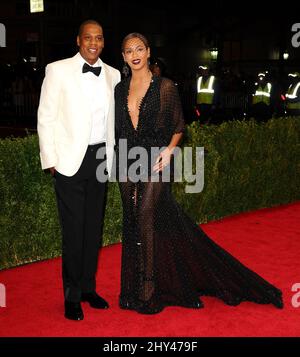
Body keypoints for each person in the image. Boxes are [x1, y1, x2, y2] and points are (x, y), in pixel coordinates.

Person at [114, 32, 283, 314]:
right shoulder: (120, 89)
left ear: (147, 53)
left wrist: (169, 152)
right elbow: (120, 128)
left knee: (146, 218)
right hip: (128, 159)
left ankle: (148, 283)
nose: (135, 54)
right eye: (129, 50)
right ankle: (133, 283)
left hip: (156, 159)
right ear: (123, 57)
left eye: (139, 48)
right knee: (132, 221)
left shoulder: (165, 86)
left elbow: (179, 127)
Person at [37, 20, 120, 321]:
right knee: (74, 232)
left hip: (101, 158)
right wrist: (51, 159)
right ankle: (71, 296)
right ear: (78, 41)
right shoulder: (57, 70)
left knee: (93, 230)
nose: (94, 43)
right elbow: (45, 116)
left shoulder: (112, 74)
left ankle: (87, 288)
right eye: (88, 38)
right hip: (70, 159)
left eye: (99, 38)